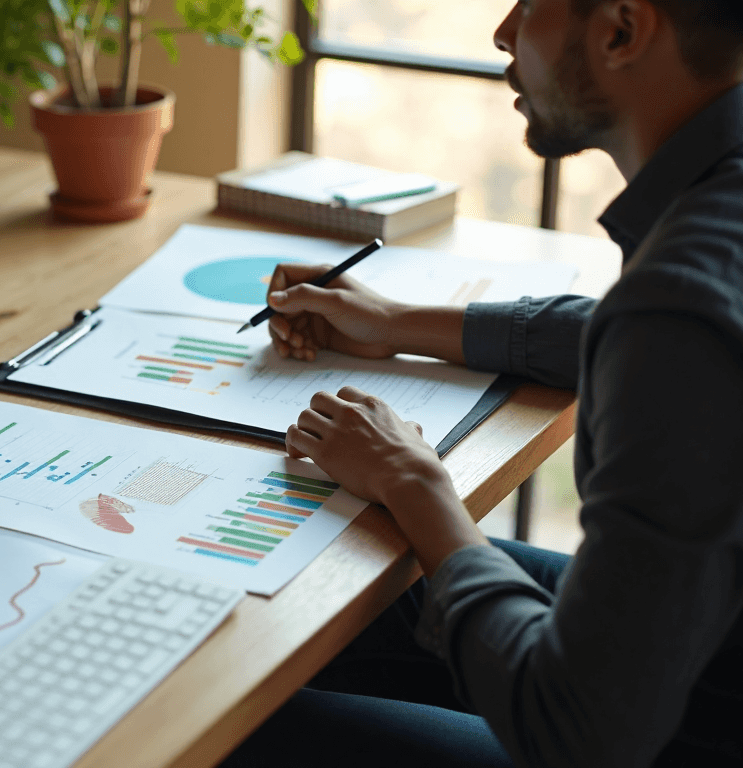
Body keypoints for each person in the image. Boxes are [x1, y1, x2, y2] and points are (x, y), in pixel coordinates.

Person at [220, 0, 743, 766]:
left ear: (621, 31)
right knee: (326, 600)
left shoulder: (678, 308)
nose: (503, 31)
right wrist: (396, 323)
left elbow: (573, 728)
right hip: (708, 650)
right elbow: (630, 338)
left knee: (229, 725)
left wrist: (414, 481)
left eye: (530, 7)